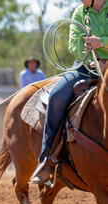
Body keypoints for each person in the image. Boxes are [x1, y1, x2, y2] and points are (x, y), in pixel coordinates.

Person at [32, 0, 108, 184]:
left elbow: (100, 43)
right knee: (57, 96)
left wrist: (102, 43)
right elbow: (74, 45)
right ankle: (47, 158)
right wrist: (89, 57)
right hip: (88, 66)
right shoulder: (80, 13)